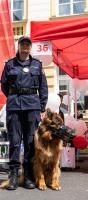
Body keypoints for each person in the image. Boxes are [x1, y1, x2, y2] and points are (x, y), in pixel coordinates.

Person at [1, 36, 48, 190]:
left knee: (30, 142)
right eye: (23, 44)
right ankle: (13, 175)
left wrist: (41, 107)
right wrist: (14, 96)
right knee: (14, 141)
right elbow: (4, 85)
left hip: (32, 107)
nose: (25, 47)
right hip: (14, 106)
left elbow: (43, 88)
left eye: (28, 45)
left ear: (30, 47)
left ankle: (28, 175)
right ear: (19, 46)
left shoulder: (37, 65)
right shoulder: (10, 64)